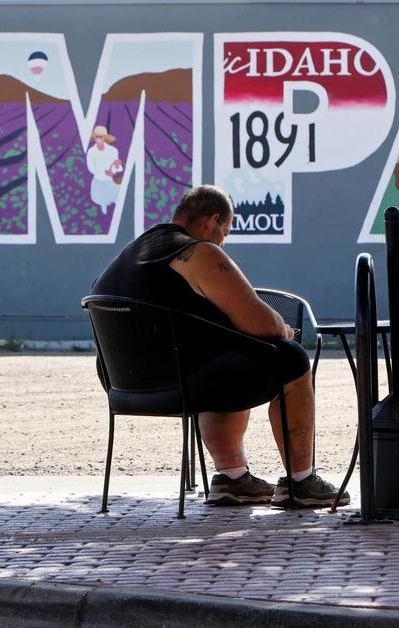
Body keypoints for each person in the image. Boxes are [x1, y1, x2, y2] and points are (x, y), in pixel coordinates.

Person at [90, 184, 349, 508]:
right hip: (185, 386)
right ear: (211, 221)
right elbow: (259, 320)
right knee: (291, 358)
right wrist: (283, 328)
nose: (223, 241)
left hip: (123, 388)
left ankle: (233, 479)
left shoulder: (129, 255)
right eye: (225, 232)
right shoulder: (197, 252)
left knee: (224, 349)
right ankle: (301, 481)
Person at [85, 125, 123, 215]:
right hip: (98, 179)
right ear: (94, 138)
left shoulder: (112, 150)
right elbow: (91, 168)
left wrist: (114, 169)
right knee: (100, 198)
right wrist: (103, 173)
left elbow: (116, 166)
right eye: (97, 136)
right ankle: (103, 205)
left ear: (104, 138)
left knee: (116, 197)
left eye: (101, 137)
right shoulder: (91, 152)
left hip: (110, 180)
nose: (98, 139)